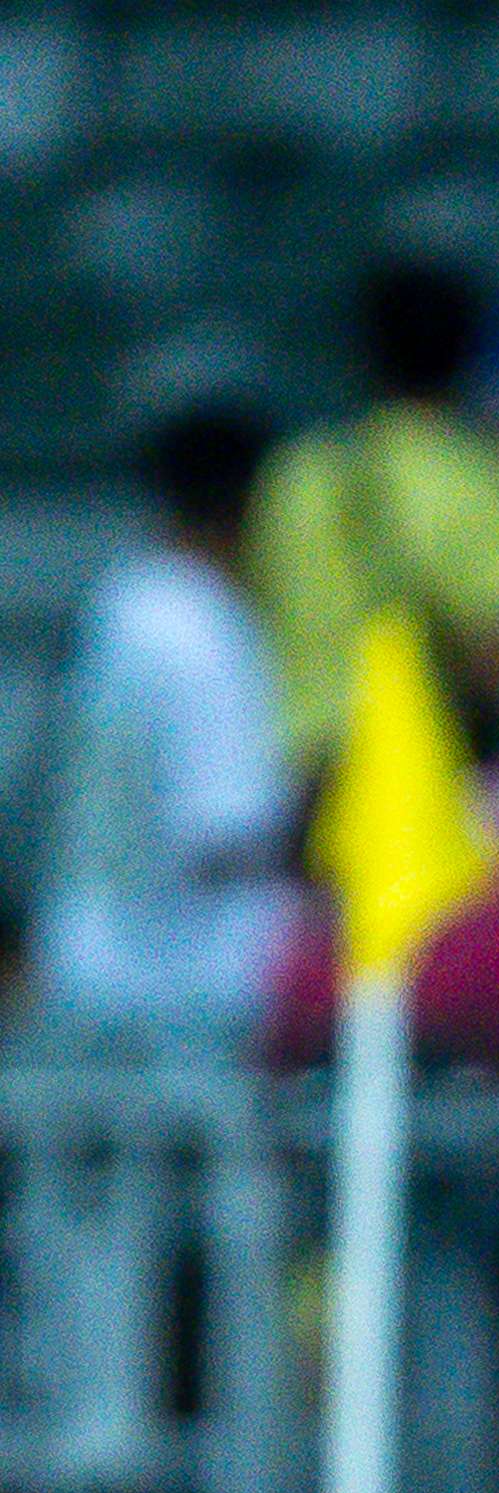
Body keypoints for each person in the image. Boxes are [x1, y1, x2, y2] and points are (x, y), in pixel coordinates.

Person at [32, 402, 291, 1052]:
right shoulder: (203, 628)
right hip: (180, 990)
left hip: (89, 961)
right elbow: (218, 834)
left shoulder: (121, 600)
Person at [252, 256, 499, 773]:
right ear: (469, 352)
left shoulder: (299, 473)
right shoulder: (478, 478)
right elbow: (498, 650)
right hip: (416, 777)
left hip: (312, 771)